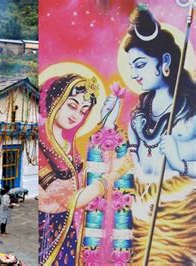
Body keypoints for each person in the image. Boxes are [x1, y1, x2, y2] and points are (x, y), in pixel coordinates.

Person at [107, 5, 196, 264]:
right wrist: (109, 125)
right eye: (131, 66)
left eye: (141, 64)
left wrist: (180, 164)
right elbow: (132, 165)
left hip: (180, 221)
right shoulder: (139, 113)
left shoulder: (190, 112)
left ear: (165, 62)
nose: (135, 74)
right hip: (142, 220)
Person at [38, 74, 132, 265]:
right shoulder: (41, 147)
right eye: (72, 105)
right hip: (47, 232)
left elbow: (91, 176)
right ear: (55, 101)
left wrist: (107, 123)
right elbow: (73, 199)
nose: (76, 115)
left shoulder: (69, 146)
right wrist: (114, 175)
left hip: (70, 231)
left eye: (83, 111)